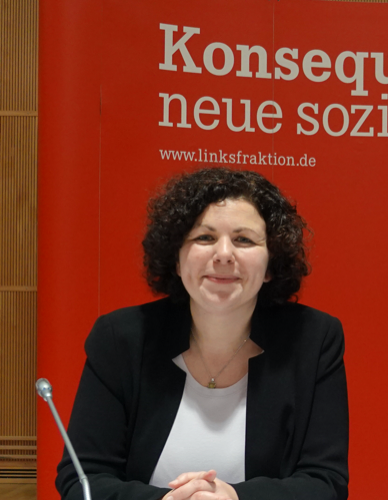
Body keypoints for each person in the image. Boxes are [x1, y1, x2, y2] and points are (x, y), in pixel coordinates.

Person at [56, 168, 349, 500]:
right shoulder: (120, 338)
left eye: (244, 240)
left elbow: (326, 483)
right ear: (177, 261)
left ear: (270, 266)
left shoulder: (313, 339)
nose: (223, 254)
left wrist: (235, 499)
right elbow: (82, 480)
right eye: (204, 238)